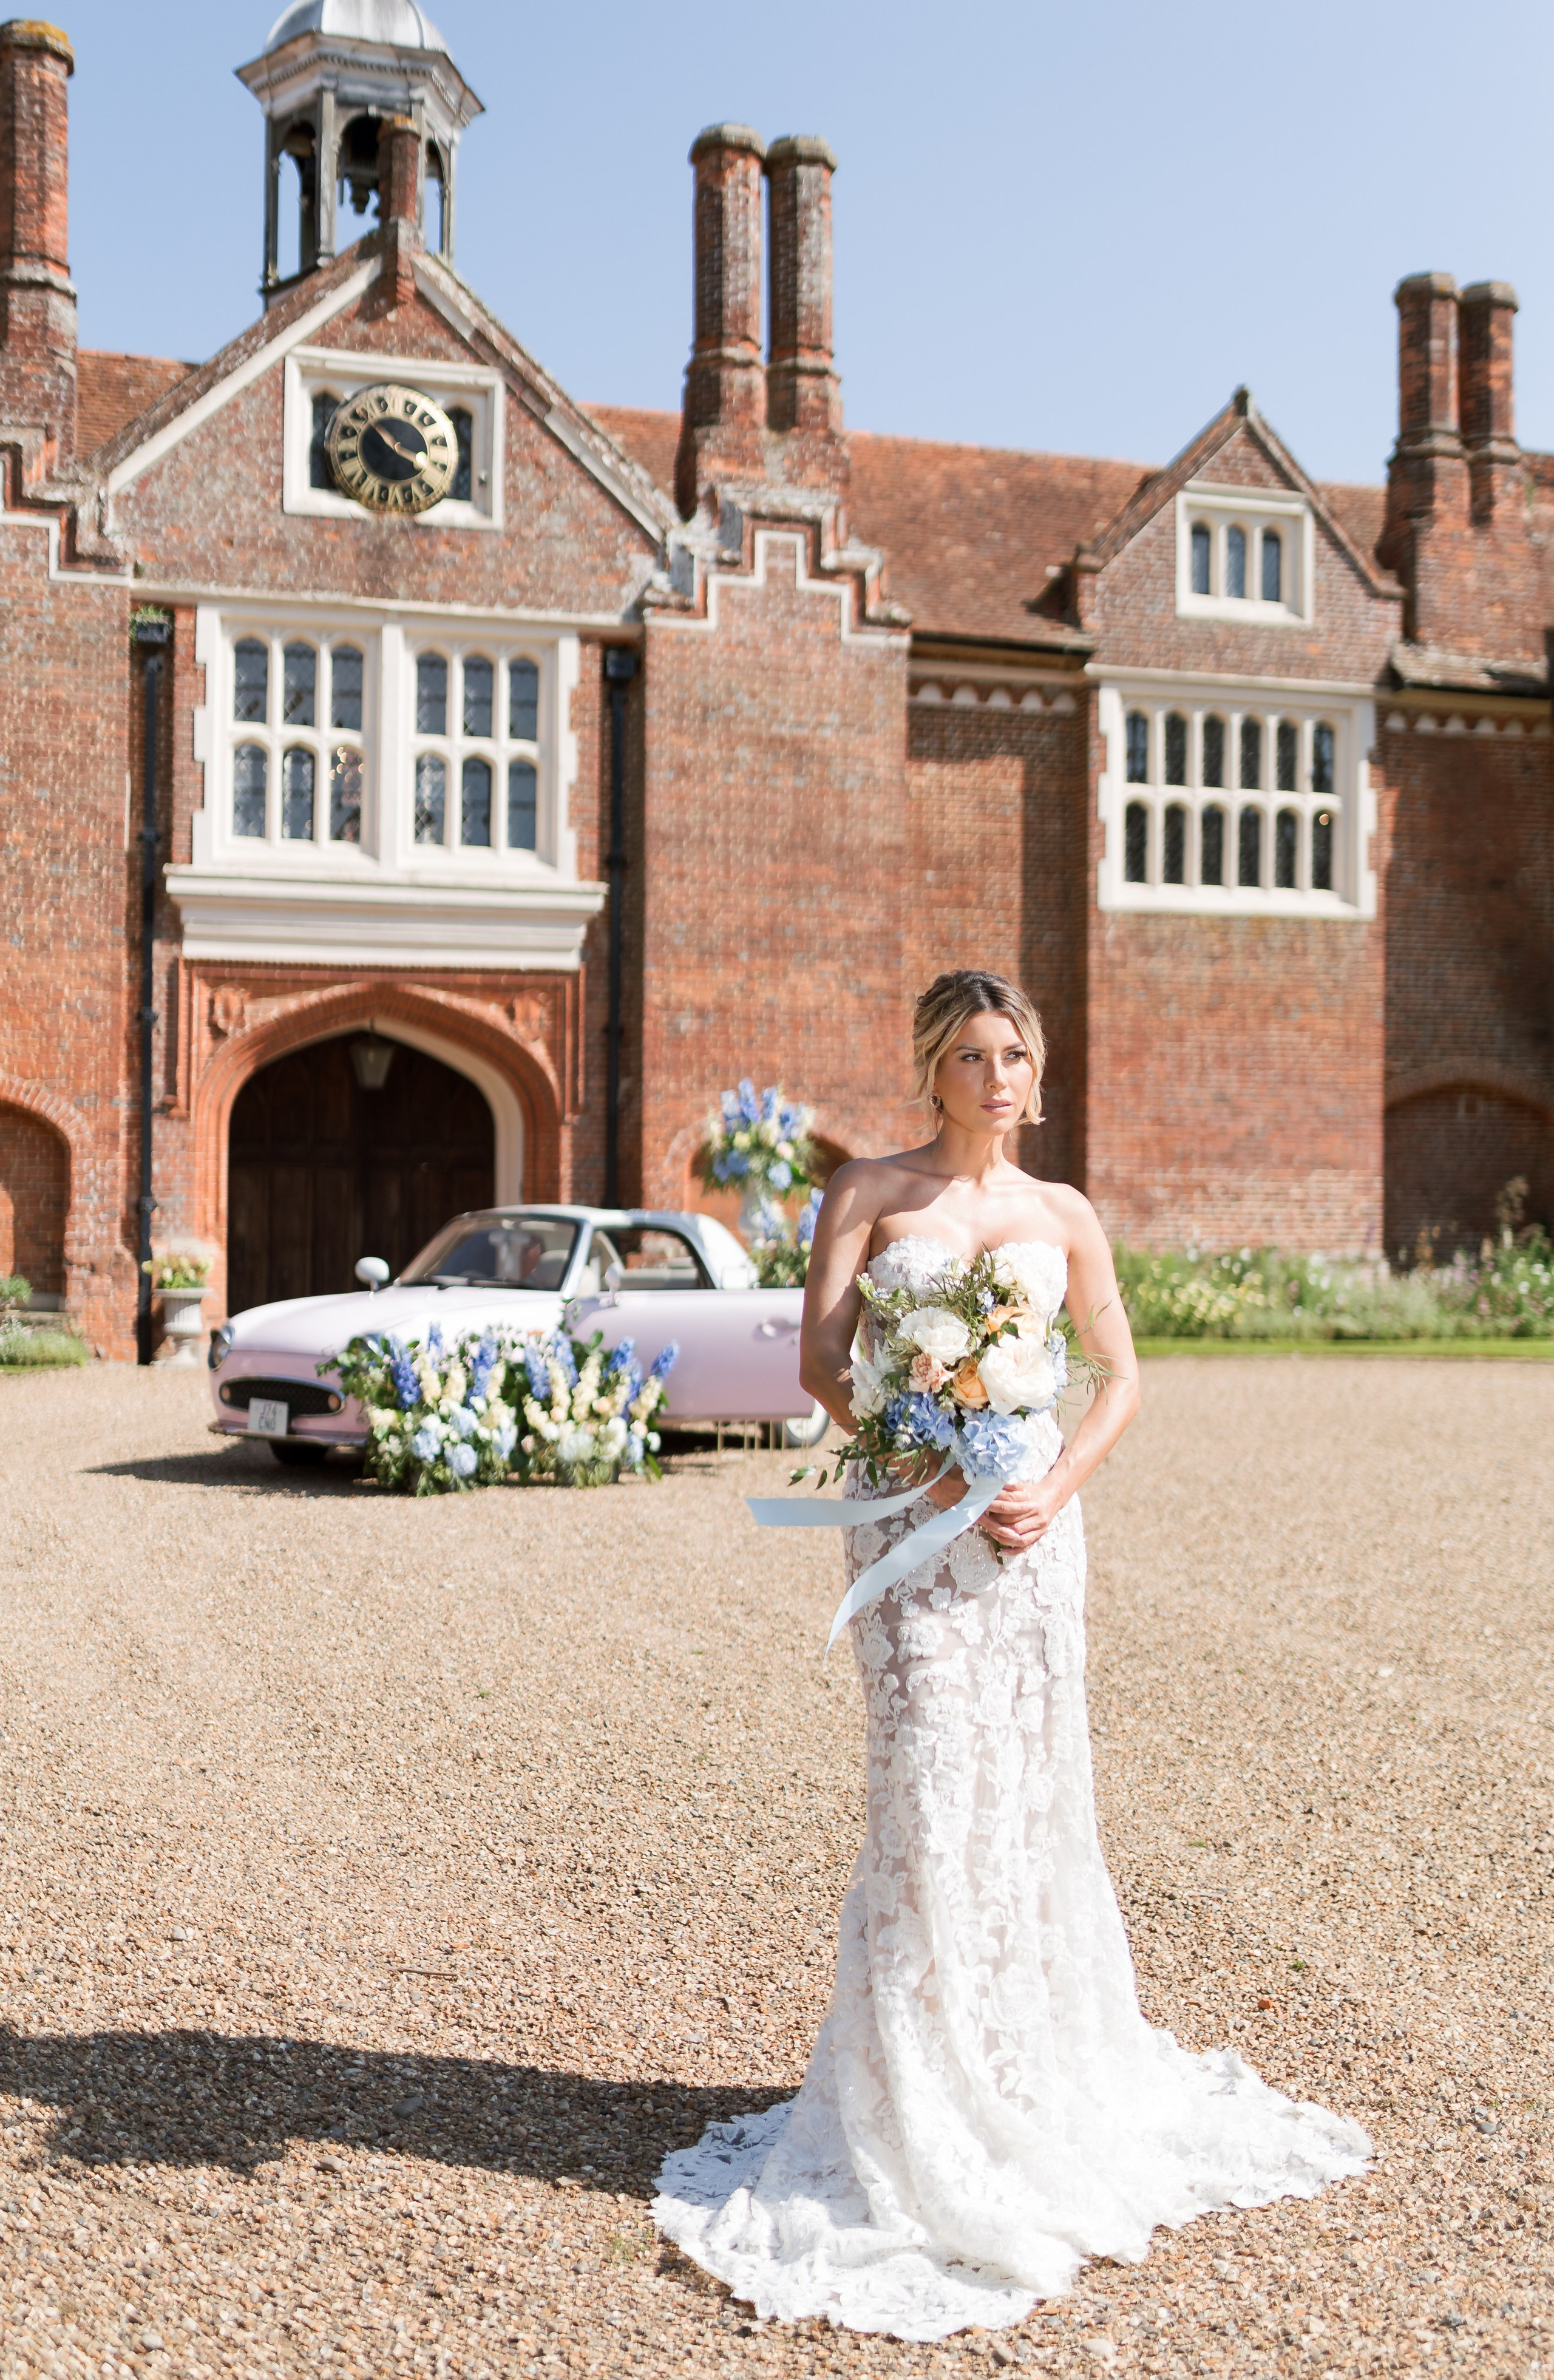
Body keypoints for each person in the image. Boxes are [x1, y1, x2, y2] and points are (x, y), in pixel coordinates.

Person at [654, 968, 1368, 2339]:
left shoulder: (1062, 1215)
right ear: (931, 1068)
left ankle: (1026, 2064)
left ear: (1035, 1074)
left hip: (1033, 1536)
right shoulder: (865, 1191)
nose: (996, 1075)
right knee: (927, 1781)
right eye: (972, 1054)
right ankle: (912, 2085)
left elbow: (1120, 1375)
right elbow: (819, 1363)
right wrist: (917, 1455)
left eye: (1015, 1054)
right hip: (909, 1528)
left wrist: (1054, 1483)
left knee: (1027, 1789)